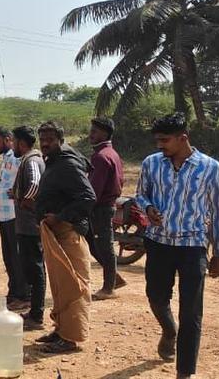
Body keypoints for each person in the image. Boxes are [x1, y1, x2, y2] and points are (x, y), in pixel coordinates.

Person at [135, 113, 219, 379]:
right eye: (157, 140)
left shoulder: (210, 167)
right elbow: (141, 193)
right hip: (158, 243)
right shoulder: (151, 163)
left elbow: (217, 211)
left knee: (192, 312)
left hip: (192, 246)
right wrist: (148, 207)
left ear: (183, 138)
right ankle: (168, 330)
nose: (159, 145)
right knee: (156, 297)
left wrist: (218, 252)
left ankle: (185, 373)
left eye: (165, 140)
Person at [33, 121, 96, 354]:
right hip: (55, 232)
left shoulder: (68, 164)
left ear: (61, 139)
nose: (45, 143)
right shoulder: (55, 161)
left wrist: (60, 217)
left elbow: (88, 198)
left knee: (73, 286)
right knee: (60, 285)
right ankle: (61, 330)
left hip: (68, 232)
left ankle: (71, 339)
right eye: (42, 139)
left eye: (50, 139)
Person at [11, 125, 47, 330]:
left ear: (21, 143)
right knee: (33, 269)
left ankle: (37, 315)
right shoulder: (30, 158)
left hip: (30, 226)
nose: (13, 145)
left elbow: (35, 183)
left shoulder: (32, 159)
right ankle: (34, 311)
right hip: (26, 225)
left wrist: (26, 199)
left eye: (14, 141)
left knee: (36, 269)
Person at [0, 126, 29, 309]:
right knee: (9, 257)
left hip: (14, 215)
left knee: (18, 257)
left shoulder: (17, 158)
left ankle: (24, 295)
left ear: (7, 139)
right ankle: (13, 293)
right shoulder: (6, 159)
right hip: (4, 216)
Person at [87, 117, 126, 300]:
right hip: (104, 205)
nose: (90, 134)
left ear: (104, 133)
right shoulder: (111, 153)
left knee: (104, 246)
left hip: (101, 207)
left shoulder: (102, 157)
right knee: (95, 244)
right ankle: (113, 278)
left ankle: (109, 288)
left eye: (94, 131)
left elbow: (94, 189)